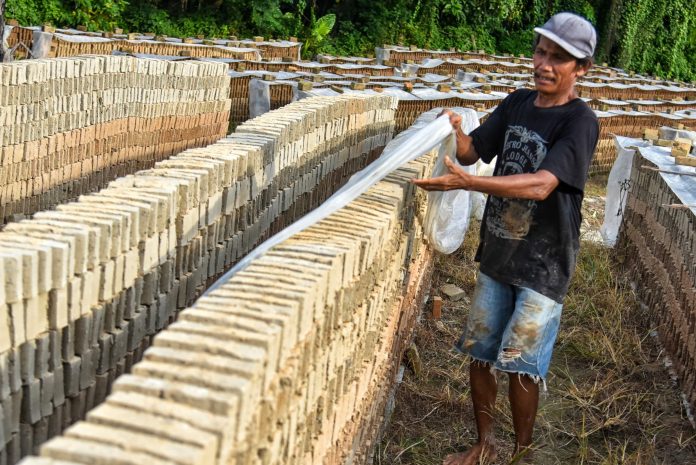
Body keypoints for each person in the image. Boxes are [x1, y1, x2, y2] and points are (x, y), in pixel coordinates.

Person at [412, 12, 600, 465]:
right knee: (479, 352)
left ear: (581, 69)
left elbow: (541, 184)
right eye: (540, 51)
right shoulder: (517, 103)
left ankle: (521, 453)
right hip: (499, 251)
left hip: (544, 264)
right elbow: (476, 151)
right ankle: (483, 445)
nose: (544, 64)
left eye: (558, 58)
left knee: (520, 363)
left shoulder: (579, 121)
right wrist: (455, 132)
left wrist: (468, 184)